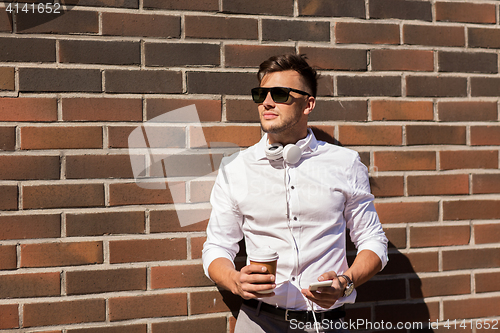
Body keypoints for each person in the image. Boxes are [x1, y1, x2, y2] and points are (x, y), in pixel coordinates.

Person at [202, 54, 388, 333]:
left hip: (327, 323)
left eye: (279, 94)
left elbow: (373, 241)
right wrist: (234, 280)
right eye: (260, 94)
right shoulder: (236, 168)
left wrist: (345, 282)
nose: (266, 102)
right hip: (258, 322)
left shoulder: (345, 164)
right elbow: (216, 246)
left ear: (308, 103)